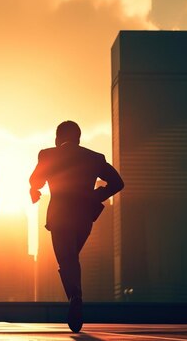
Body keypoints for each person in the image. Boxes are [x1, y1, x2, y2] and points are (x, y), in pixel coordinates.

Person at [29, 120, 123, 333]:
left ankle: (75, 297)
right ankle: (75, 298)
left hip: (59, 216)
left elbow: (35, 180)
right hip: (83, 218)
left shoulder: (48, 155)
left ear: (57, 138)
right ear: (79, 139)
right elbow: (118, 182)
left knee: (67, 260)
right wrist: (95, 196)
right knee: (71, 258)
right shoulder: (94, 157)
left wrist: (34, 190)